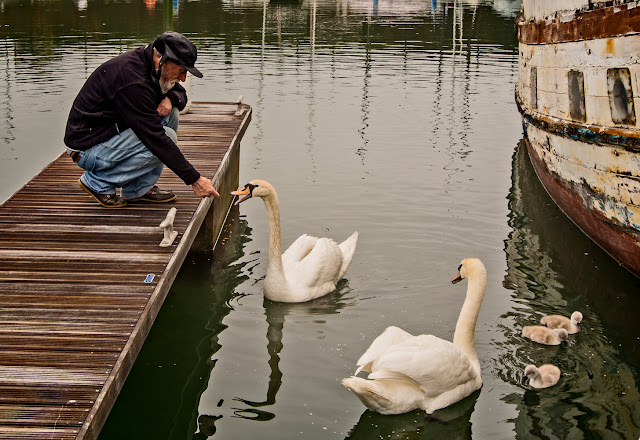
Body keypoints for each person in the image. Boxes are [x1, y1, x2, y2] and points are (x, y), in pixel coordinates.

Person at [64, 31, 220, 208]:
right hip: (87, 148)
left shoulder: (153, 65)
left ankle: (138, 189)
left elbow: (181, 95)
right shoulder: (133, 82)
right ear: (164, 60)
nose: (183, 78)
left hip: (113, 132)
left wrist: (170, 99)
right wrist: (194, 179)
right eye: (182, 71)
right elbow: (155, 139)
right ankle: (97, 182)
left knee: (172, 113)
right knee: (166, 137)